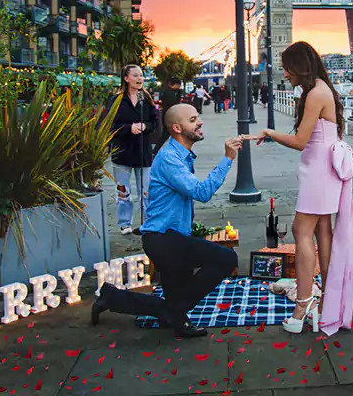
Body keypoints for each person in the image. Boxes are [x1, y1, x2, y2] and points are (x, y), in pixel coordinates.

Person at [91, 104, 243, 338]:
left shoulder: (179, 153)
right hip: (164, 240)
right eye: (193, 120)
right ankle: (173, 313)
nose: (200, 122)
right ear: (177, 128)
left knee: (173, 307)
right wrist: (228, 159)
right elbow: (202, 192)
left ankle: (114, 297)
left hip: (173, 237)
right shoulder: (170, 158)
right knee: (226, 258)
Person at [245, 41, 353, 335]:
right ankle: (329, 299)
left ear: (300, 67)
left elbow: (300, 142)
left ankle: (303, 303)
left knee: (300, 231)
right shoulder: (321, 89)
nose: (284, 73)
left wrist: (269, 133)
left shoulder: (315, 94)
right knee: (322, 231)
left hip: (318, 172)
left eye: (287, 67)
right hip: (322, 170)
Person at [107, 65, 159, 235]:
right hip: (122, 152)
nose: (139, 78)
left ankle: (148, 223)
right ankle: (124, 223)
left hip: (143, 152)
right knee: (123, 191)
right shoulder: (116, 100)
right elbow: (109, 125)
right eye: (135, 75)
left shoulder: (147, 99)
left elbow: (155, 124)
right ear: (126, 78)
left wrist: (145, 126)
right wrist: (128, 128)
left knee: (146, 191)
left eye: (141, 75)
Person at [153, 78, 184, 154]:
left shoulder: (168, 92)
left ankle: (157, 150)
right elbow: (174, 104)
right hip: (170, 116)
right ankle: (156, 150)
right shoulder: (169, 93)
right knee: (169, 134)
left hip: (167, 115)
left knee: (168, 134)